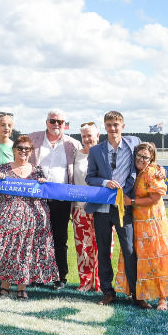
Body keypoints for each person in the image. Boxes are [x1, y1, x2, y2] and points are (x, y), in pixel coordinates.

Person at [0, 135, 59, 300]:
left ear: (31, 152)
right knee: (6, 250)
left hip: (30, 219)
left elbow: (43, 195)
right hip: (5, 216)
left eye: (27, 149)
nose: (23, 152)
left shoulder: (37, 170)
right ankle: (5, 285)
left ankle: (22, 287)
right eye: (20, 148)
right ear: (14, 150)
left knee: (25, 252)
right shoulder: (2, 169)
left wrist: (42, 184)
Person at [116, 142, 168, 310]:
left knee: (160, 261)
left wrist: (132, 201)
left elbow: (155, 198)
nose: (141, 159)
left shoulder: (152, 172)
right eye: (139, 155)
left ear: (151, 159)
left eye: (145, 157)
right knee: (140, 261)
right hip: (137, 224)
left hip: (154, 225)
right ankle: (141, 295)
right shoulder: (133, 171)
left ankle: (162, 299)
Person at [85, 111, 143, 306]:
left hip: (122, 208)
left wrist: (160, 168)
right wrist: (105, 182)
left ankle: (136, 294)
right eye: (109, 125)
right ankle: (108, 292)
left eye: (116, 124)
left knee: (129, 250)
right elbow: (89, 178)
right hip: (101, 209)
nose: (113, 128)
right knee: (103, 251)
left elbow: (145, 160)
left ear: (123, 126)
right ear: (105, 127)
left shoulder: (133, 143)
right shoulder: (95, 151)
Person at [28, 109, 82, 289]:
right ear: (46, 122)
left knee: (59, 239)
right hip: (37, 198)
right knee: (36, 237)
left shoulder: (73, 144)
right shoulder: (33, 138)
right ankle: (36, 274)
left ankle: (60, 276)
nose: (56, 124)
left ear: (65, 124)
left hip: (62, 199)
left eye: (60, 121)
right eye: (53, 121)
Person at [72, 122, 114, 292]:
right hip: (80, 209)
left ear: (98, 136)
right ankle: (85, 282)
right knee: (83, 248)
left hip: (102, 209)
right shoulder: (76, 155)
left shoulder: (107, 153)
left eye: (90, 135)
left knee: (103, 247)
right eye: (84, 136)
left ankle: (101, 282)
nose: (87, 139)